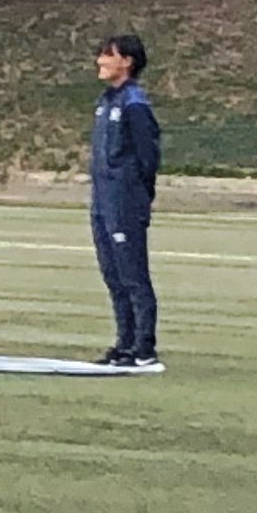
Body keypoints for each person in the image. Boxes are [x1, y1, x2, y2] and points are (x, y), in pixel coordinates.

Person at [89, 28, 163, 370]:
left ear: (127, 62)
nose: (100, 61)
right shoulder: (106, 101)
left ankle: (144, 347)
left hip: (125, 201)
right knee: (113, 275)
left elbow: (148, 156)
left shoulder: (134, 103)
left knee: (133, 275)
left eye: (109, 54)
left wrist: (137, 194)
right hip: (103, 201)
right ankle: (124, 342)